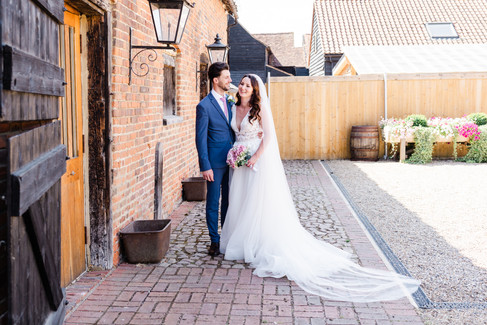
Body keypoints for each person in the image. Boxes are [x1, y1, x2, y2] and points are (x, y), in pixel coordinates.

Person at [220, 74, 421, 302]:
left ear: (255, 91)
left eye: (249, 85)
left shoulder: (260, 109)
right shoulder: (232, 106)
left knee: (257, 203)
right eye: (243, 84)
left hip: (256, 161)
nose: (244, 87)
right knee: (241, 200)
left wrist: (255, 156)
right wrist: (237, 154)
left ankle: (256, 244)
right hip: (238, 162)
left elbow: (269, 137)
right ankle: (241, 239)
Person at [195, 62, 234, 257]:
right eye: (227, 77)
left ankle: (226, 237)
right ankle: (214, 240)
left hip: (232, 162)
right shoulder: (204, 106)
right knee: (213, 202)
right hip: (214, 164)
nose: (230, 80)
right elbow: (200, 138)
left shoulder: (230, 102)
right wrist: (205, 166)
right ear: (216, 80)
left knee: (229, 200)